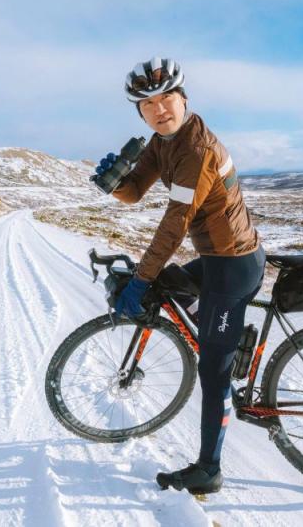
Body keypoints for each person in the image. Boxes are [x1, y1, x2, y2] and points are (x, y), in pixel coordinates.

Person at [98, 56, 265, 494]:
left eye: (167, 97)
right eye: (148, 103)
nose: (159, 109)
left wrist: (139, 280)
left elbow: (175, 224)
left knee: (213, 371)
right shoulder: (162, 142)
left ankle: (209, 470)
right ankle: (222, 332)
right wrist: (115, 181)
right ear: (140, 112)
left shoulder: (197, 151)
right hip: (215, 259)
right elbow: (134, 193)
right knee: (169, 285)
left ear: (183, 98)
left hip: (233, 266)